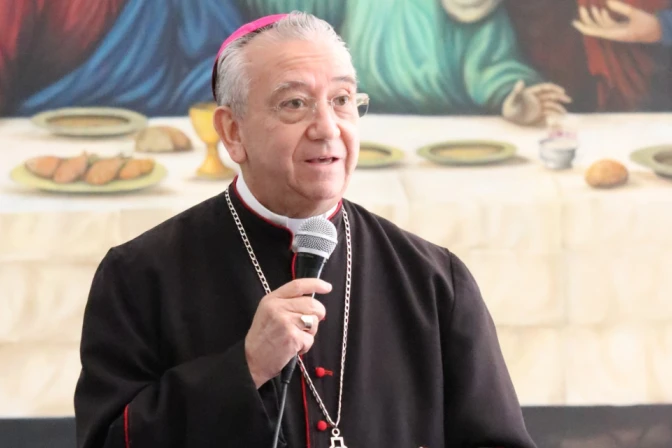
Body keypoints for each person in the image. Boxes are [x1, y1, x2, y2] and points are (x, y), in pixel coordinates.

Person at [74, 12, 537, 448]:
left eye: (342, 100)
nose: (327, 128)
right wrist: (245, 367)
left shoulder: (434, 280)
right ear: (232, 132)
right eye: (294, 104)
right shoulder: (139, 275)